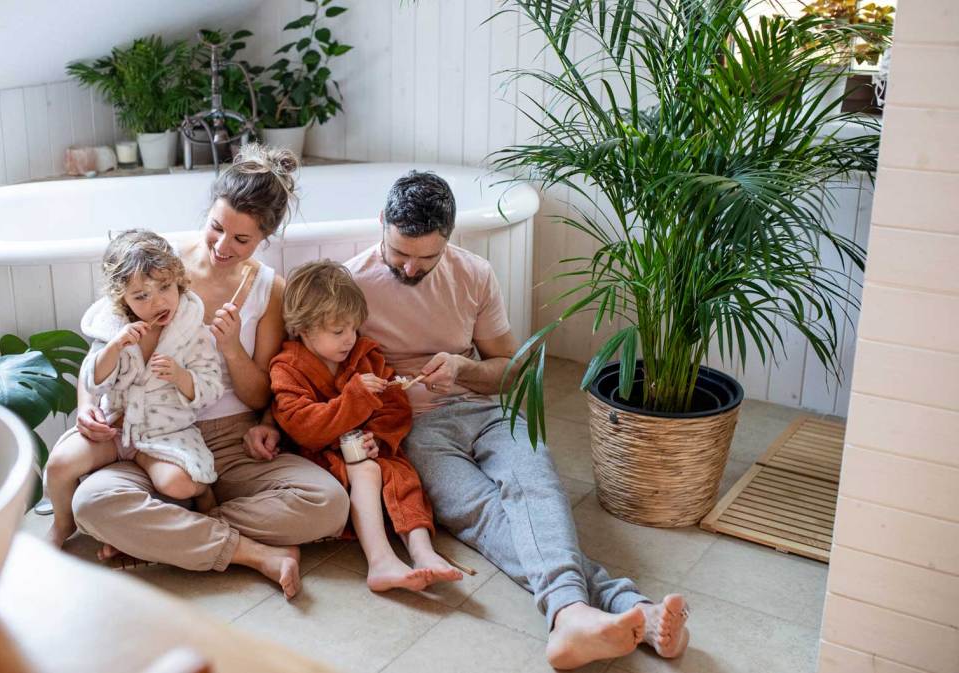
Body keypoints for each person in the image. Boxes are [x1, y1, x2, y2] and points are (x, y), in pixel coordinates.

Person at [341, 171, 691, 670]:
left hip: (485, 411)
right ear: (382, 222)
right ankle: (620, 606)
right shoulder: (351, 283)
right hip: (413, 429)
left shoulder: (474, 274)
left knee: (535, 483)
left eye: (427, 257)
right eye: (400, 253)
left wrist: (464, 369)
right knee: (486, 513)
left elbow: (509, 373)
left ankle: (574, 616)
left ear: (449, 238)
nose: (412, 268)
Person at [57, 145, 350, 599]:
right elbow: (101, 346)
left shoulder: (269, 290)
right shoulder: (160, 267)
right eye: (216, 227)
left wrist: (231, 348)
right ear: (210, 211)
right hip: (150, 435)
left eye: (241, 240)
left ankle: (170, 534)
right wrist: (85, 406)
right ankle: (250, 552)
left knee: (329, 504)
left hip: (230, 442)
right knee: (91, 503)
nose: (221, 246)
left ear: (265, 238)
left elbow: (260, 396)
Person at [268, 261, 464, 593]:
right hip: (320, 457)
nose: (349, 339)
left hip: (369, 450)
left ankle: (423, 552)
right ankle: (380, 561)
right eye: (338, 331)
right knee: (367, 471)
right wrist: (354, 398)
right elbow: (303, 427)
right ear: (303, 328)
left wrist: (379, 439)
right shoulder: (287, 368)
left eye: (353, 328)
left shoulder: (365, 355)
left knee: (402, 475)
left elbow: (395, 406)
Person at [46, 230, 223, 548]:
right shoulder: (113, 330)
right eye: (141, 296)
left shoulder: (191, 331)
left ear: (178, 281)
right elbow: (91, 378)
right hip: (115, 429)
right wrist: (114, 348)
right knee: (59, 464)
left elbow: (212, 386)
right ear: (122, 299)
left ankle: (203, 492)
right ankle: (62, 523)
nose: (158, 302)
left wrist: (181, 376)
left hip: (165, 432)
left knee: (178, 484)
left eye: (165, 287)